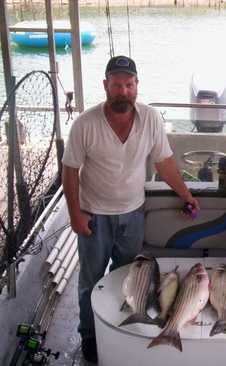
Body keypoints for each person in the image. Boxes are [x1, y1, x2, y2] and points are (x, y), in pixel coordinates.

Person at [62, 55, 199, 363]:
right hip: (94, 215)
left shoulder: (151, 118)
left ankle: (120, 330)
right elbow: (70, 171)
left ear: (137, 86)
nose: (122, 91)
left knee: (129, 279)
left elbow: (163, 163)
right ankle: (90, 334)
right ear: (105, 86)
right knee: (90, 280)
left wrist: (186, 194)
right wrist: (74, 214)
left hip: (133, 214)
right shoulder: (85, 123)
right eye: (116, 85)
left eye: (128, 85)